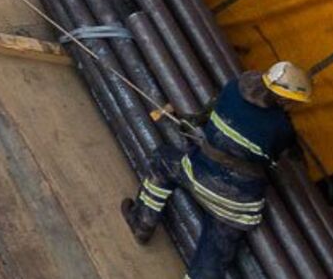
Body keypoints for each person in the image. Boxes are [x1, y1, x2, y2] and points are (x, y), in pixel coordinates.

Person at [123, 62, 313, 279]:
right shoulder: (282, 128)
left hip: (197, 173)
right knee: (212, 258)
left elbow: (209, 115)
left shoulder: (234, 87)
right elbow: (272, 161)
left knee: (163, 160)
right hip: (238, 206)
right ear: (286, 100)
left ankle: (142, 223)